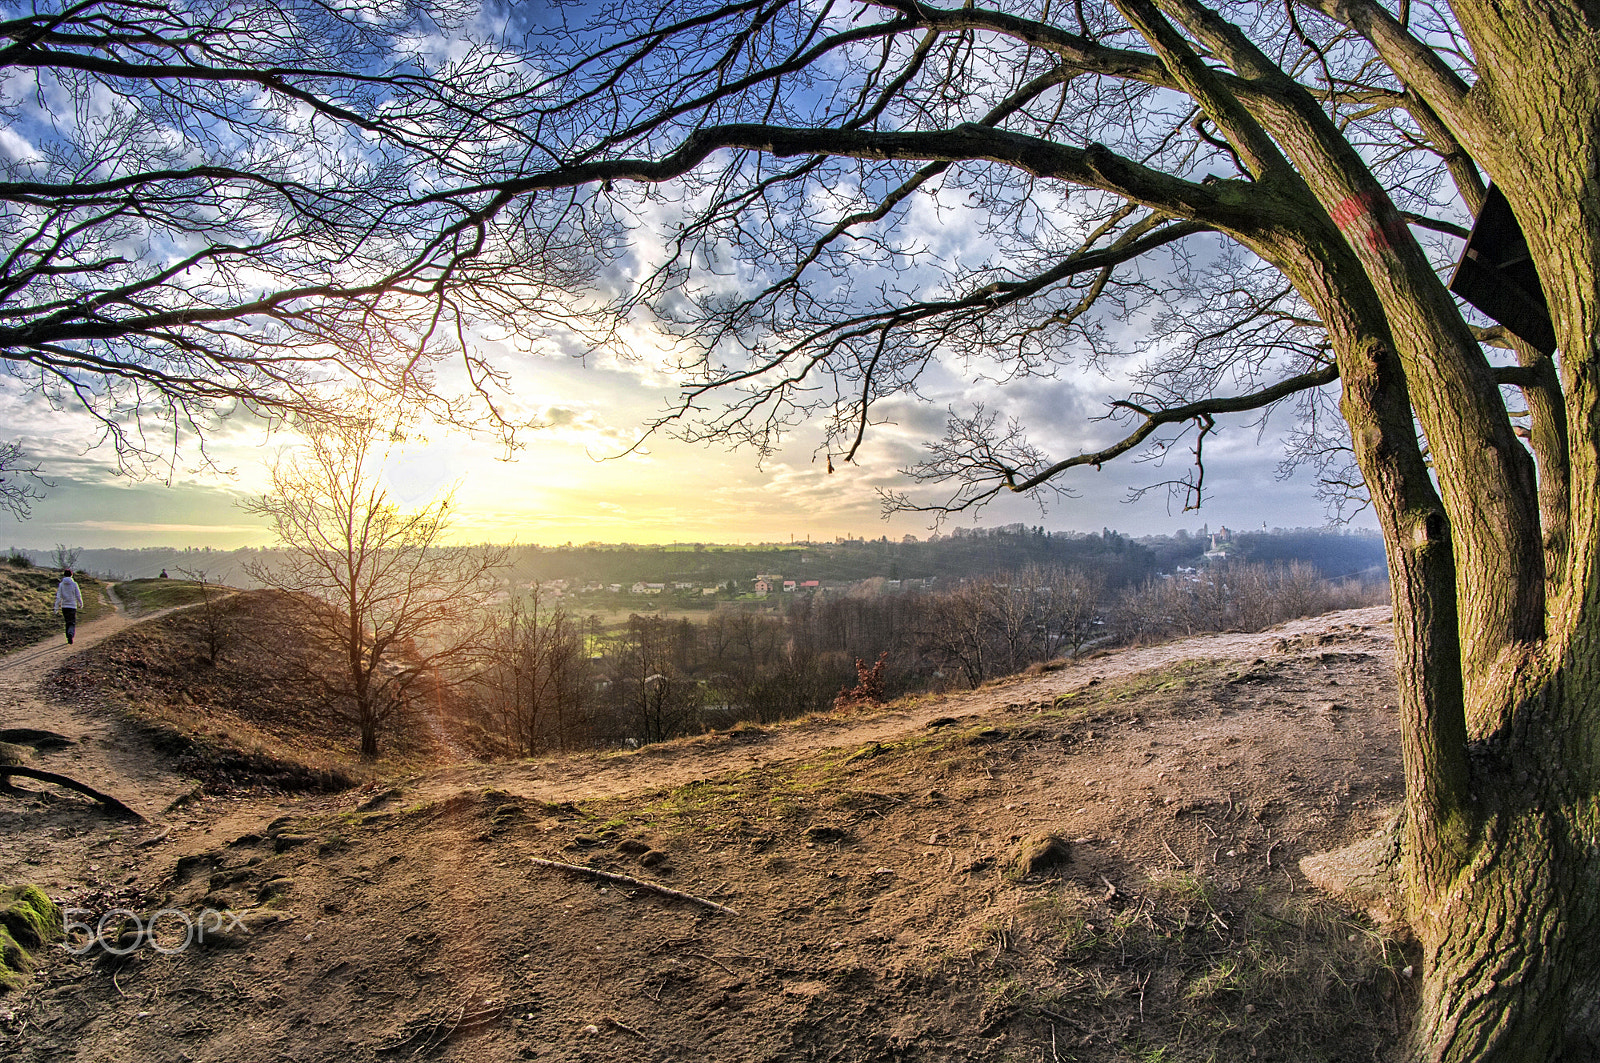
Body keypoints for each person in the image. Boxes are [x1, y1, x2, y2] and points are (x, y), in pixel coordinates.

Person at [54, 568, 83, 645]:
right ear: (71, 575)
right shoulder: (74, 584)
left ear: (64, 575)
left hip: (64, 606)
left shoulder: (61, 585)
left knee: (67, 622)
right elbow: (78, 594)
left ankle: (68, 637)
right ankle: (71, 634)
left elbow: (58, 597)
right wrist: (80, 603)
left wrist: (56, 607)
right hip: (73, 606)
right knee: (72, 622)